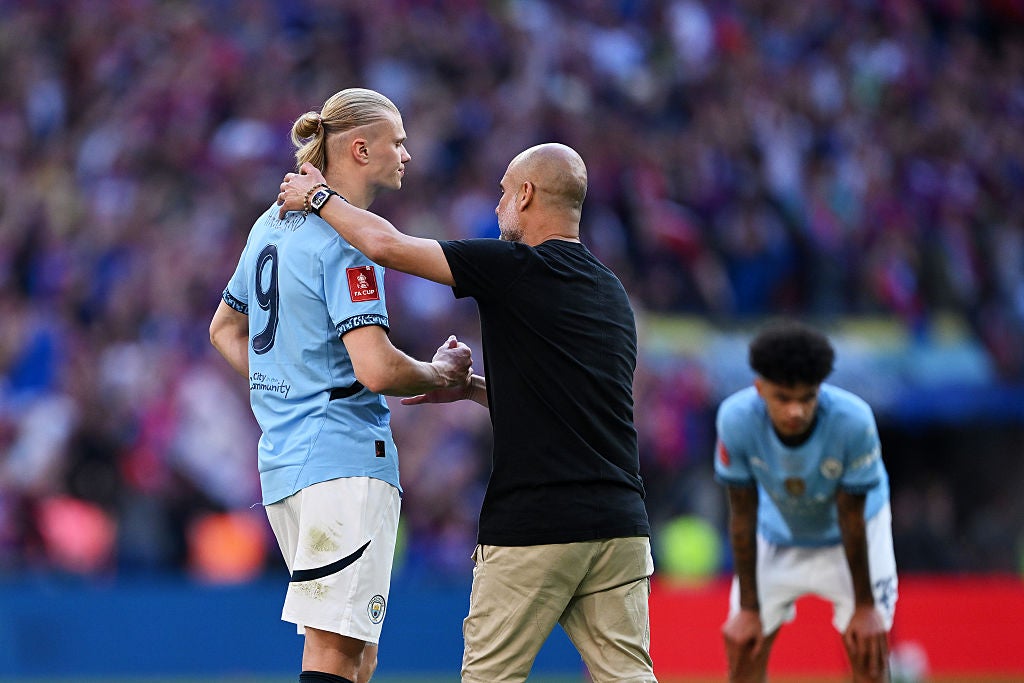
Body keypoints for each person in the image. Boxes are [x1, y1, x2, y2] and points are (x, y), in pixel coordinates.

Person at [276, 142, 657, 683]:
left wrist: (318, 196)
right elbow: (578, 407)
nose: (497, 205)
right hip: (621, 527)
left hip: (537, 522)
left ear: (526, 195)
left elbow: (385, 245)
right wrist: (474, 390)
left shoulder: (513, 267)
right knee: (628, 675)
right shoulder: (611, 292)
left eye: (503, 192)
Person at [209, 88, 473, 683]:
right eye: (397, 142)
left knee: (355, 653)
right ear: (360, 148)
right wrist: (439, 375)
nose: (407, 154)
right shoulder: (351, 240)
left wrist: (287, 386)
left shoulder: (270, 225)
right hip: (343, 461)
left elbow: (224, 329)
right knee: (334, 653)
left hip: (284, 466)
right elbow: (376, 369)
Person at [714, 320, 897, 683]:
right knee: (745, 649)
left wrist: (864, 607)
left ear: (820, 389)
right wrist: (748, 609)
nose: (795, 411)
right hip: (778, 530)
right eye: (783, 398)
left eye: (807, 398)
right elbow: (742, 515)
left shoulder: (853, 421)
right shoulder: (736, 420)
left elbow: (850, 517)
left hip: (857, 533)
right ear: (760, 388)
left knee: (869, 653)